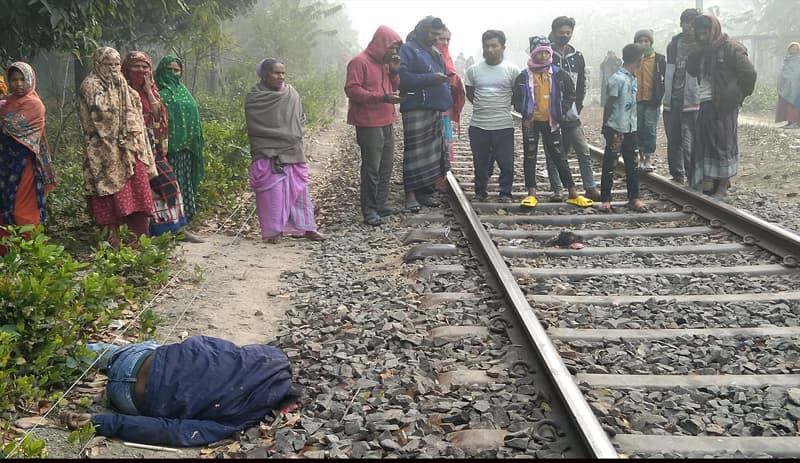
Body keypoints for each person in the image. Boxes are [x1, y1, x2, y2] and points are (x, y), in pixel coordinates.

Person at [60, 336, 302, 447]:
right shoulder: (245, 417)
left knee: (142, 347)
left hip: (138, 360)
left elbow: (203, 343)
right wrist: (102, 423)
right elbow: (176, 432)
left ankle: (58, 354)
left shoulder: (272, 358)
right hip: (129, 400)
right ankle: (106, 394)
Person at [79, 47, 158, 248]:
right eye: (108, 65)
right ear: (98, 65)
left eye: (116, 65)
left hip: (129, 151)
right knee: (108, 196)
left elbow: (137, 114)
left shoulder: (123, 85)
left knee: (137, 193)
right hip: (103, 152)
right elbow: (102, 115)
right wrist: (116, 93)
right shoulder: (90, 85)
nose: (113, 69)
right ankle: (112, 244)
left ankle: (137, 241)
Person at [122, 51, 203, 243]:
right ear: (127, 68)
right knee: (144, 191)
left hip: (152, 146)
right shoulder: (122, 90)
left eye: (145, 67)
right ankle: (150, 234)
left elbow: (158, 113)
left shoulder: (152, 90)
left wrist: (149, 90)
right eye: (136, 66)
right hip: (130, 148)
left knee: (170, 184)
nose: (141, 71)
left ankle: (177, 229)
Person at [245, 58, 325, 243]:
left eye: (283, 73)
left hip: (293, 150)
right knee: (272, 194)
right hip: (267, 151)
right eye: (276, 73)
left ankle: (308, 228)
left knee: (299, 191)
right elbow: (255, 126)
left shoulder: (292, 94)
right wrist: (283, 135)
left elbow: (298, 120)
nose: (280, 77)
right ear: (265, 75)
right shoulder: (254, 97)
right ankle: (273, 232)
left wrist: (293, 135)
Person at [512, 36, 593, 209]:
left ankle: (572, 193)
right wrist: (525, 111)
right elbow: (516, 99)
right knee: (530, 156)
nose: (542, 56)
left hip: (552, 122)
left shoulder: (558, 74)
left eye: (545, 52)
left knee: (559, 156)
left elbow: (571, 93)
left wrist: (560, 110)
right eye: (538, 52)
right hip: (531, 123)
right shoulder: (523, 76)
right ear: (533, 54)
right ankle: (531, 194)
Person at [686, 14, 756, 198]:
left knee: (723, 145)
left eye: (705, 33)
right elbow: (691, 70)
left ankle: (722, 187)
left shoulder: (731, 48)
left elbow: (749, 74)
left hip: (724, 105)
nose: (702, 37)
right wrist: (697, 49)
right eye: (699, 34)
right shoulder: (701, 50)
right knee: (706, 143)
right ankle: (709, 182)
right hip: (705, 102)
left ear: (714, 30)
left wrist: (737, 96)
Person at [345, 25, 403, 227]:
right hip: (369, 122)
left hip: (387, 120)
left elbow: (394, 86)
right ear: (382, 44)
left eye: (397, 50)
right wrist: (382, 97)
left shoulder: (385, 64)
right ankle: (369, 209)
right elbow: (351, 90)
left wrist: (395, 72)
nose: (394, 53)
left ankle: (380, 204)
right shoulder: (359, 62)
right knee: (372, 168)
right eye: (392, 49)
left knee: (386, 165)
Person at [398, 16, 452, 212]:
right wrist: (431, 78)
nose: (436, 38)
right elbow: (401, 78)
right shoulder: (408, 49)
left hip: (434, 107)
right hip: (416, 107)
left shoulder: (434, 52)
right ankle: (410, 195)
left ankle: (424, 192)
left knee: (431, 153)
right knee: (414, 153)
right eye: (433, 33)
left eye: (439, 34)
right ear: (421, 30)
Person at [0, 62, 57, 246]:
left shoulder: (34, 105)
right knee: (6, 202)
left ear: (30, 79)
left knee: (22, 205)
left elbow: (10, 128)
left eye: (22, 79)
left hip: (24, 163)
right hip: (5, 163)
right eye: (14, 79)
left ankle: (30, 246)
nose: (18, 84)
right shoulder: (7, 103)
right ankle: (11, 248)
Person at [546, 16, 599, 201]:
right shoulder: (546, 54)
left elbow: (581, 82)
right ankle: (558, 189)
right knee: (554, 153)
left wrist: (578, 104)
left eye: (568, 33)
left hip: (572, 113)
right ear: (554, 32)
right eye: (561, 33)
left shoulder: (577, 56)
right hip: (550, 113)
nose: (565, 36)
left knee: (583, 150)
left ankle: (590, 187)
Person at [464, 29, 519, 203]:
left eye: (494, 46)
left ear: (503, 47)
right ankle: (480, 192)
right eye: (486, 46)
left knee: (506, 162)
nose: (490, 49)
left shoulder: (512, 70)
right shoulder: (473, 71)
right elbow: (471, 94)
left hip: (503, 124)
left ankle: (505, 193)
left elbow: (517, 95)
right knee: (480, 162)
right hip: (479, 125)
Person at [154, 55, 205, 221]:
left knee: (184, 181)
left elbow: (194, 119)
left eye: (177, 70)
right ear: (161, 70)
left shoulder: (184, 92)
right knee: (167, 185)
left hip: (187, 149)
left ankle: (185, 218)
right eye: (169, 69)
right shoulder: (156, 92)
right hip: (165, 150)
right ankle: (168, 221)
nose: (173, 73)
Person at [599, 44, 647, 213]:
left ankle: (634, 197)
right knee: (610, 164)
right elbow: (609, 104)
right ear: (637, 59)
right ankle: (605, 198)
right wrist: (605, 125)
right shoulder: (617, 79)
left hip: (630, 128)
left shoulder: (633, 77)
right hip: (616, 128)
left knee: (632, 164)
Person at [663, 8, 703, 183]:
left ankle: (692, 173)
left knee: (691, 138)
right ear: (682, 24)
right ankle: (677, 172)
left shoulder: (702, 46)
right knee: (673, 137)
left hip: (694, 99)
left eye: (694, 25)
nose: (691, 28)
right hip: (673, 97)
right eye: (688, 24)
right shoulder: (673, 45)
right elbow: (669, 70)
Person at [632, 29, 666, 172]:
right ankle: (640, 157)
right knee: (637, 128)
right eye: (640, 41)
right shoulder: (633, 59)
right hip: (636, 100)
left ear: (651, 42)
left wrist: (660, 97)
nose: (643, 44)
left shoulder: (658, 59)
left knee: (650, 130)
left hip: (652, 101)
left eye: (646, 41)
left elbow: (665, 79)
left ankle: (648, 158)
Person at [435, 27, 466, 163]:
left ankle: (442, 175)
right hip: (429, 107)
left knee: (444, 141)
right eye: (442, 39)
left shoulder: (447, 56)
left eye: (448, 39)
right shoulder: (428, 55)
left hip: (445, 106)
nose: (445, 42)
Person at [776, 42, 800, 129]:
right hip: (786, 85)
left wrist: (792, 79)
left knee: (794, 103)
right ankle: (789, 121)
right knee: (787, 103)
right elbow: (782, 71)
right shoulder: (786, 59)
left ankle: (795, 122)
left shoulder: (798, 60)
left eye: (796, 49)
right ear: (789, 49)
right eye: (792, 48)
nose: (794, 50)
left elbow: (797, 72)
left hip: (796, 86)